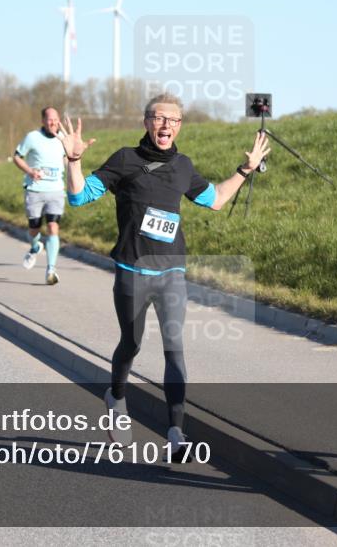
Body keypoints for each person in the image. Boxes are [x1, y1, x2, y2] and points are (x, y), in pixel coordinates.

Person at [61, 92, 269, 456]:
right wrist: (74, 160)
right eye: (159, 118)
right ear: (146, 122)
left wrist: (244, 170)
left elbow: (216, 199)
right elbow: (79, 197)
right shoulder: (125, 159)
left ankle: (176, 433)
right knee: (132, 343)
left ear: (179, 126)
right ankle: (116, 397)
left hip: (172, 270)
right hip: (133, 269)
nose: (166, 125)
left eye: (173, 120)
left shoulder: (183, 166)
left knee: (175, 348)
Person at [13, 107, 68, 285]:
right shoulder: (32, 137)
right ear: (43, 121)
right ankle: (35, 246)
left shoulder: (63, 139)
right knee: (34, 229)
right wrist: (30, 171)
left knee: (53, 227)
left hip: (56, 190)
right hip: (35, 190)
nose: (53, 123)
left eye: (56, 119)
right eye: (50, 119)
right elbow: (17, 157)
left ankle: (51, 270)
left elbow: (67, 158)